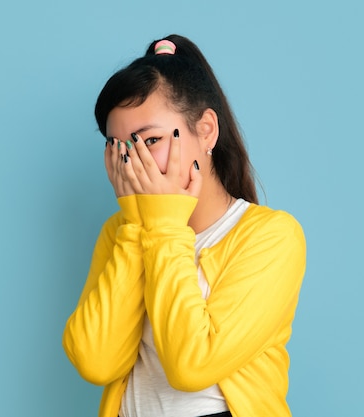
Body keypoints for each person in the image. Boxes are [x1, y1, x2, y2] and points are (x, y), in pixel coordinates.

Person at [62, 34, 306, 417]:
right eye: (119, 147)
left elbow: (191, 365)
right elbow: (96, 361)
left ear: (206, 130)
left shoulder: (270, 236)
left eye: (151, 140)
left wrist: (163, 224)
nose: (134, 163)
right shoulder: (120, 231)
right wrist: (134, 226)